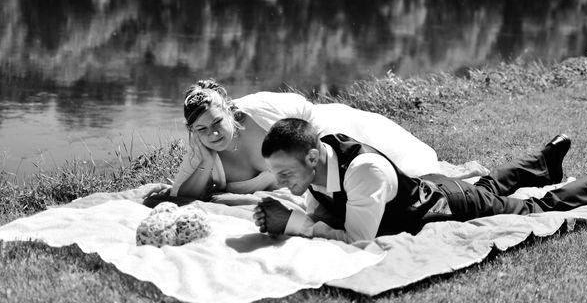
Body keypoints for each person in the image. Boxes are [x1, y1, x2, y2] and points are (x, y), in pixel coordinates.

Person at [253, 118, 587, 244]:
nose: (283, 183)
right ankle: (542, 162)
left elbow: (357, 240)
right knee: (487, 186)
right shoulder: (319, 159)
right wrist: (303, 211)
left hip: (449, 205)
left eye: (286, 174)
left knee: (536, 208)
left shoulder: (362, 172)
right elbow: (322, 206)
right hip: (429, 186)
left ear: (311, 156)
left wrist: (294, 225)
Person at [145, 79, 440, 204]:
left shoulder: (258, 110)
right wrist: (207, 162)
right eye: (201, 129)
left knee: (390, 174)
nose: (213, 134)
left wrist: (306, 146)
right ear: (192, 130)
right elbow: (184, 195)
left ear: (229, 109)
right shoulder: (201, 148)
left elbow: (303, 108)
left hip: (324, 137)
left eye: (217, 123)